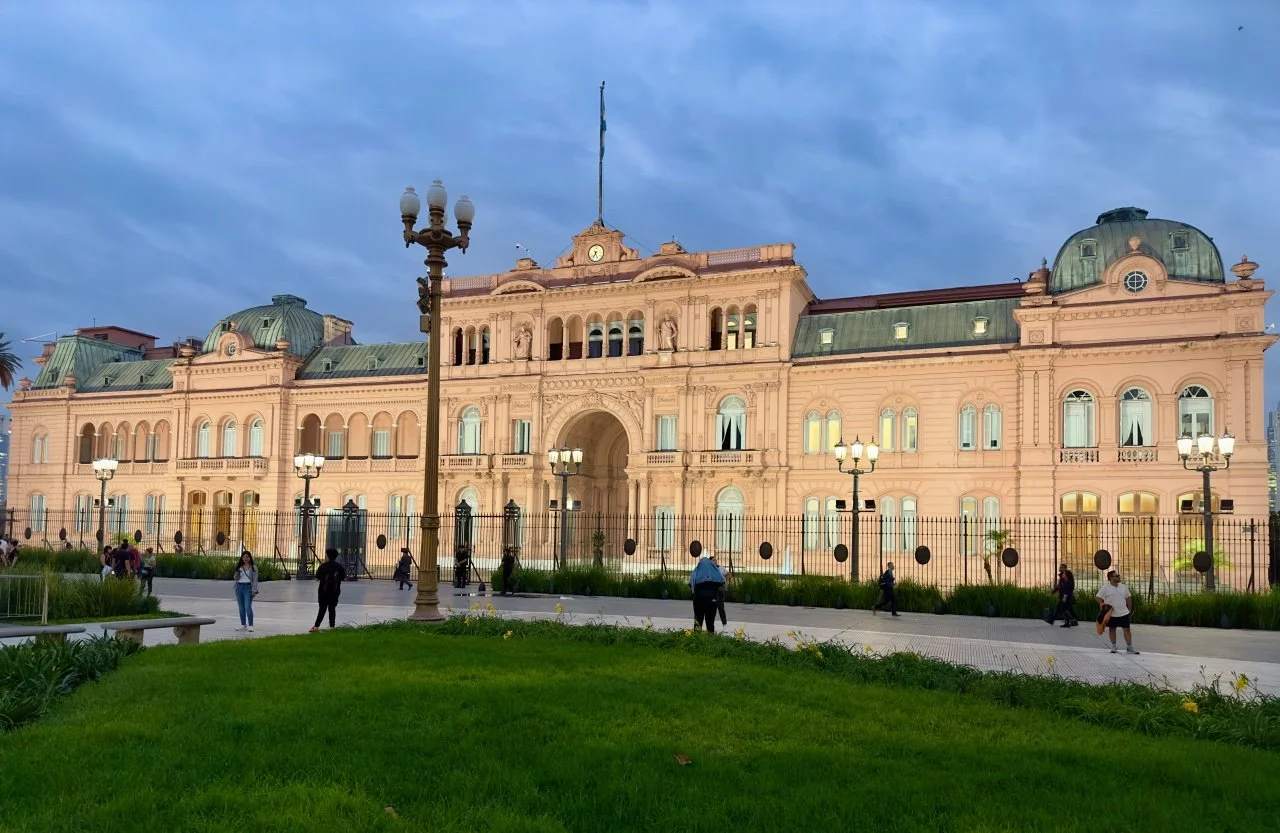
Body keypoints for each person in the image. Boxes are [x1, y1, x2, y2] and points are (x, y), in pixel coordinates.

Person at [1095, 570, 1139, 654]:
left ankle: (1129, 647)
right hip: (1112, 614)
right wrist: (1102, 605)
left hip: (1123, 613)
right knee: (1112, 629)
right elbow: (1097, 597)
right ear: (1111, 578)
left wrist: (1129, 609)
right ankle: (1114, 646)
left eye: (1118, 576)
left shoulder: (1123, 587)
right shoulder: (1105, 588)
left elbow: (1129, 597)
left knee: (1127, 630)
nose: (1119, 577)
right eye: (1117, 576)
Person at [311, 548, 347, 632]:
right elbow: (342, 577)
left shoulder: (323, 566)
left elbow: (318, 577)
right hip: (335, 591)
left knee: (322, 608)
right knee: (332, 608)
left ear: (327, 555)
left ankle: (316, 626)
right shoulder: (339, 567)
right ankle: (332, 626)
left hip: (323, 591)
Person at [688, 554, 727, 633]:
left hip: (698, 601)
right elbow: (723, 583)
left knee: (698, 621)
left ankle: (696, 640)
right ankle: (710, 640)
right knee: (710, 622)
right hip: (712, 601)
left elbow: (690, 584)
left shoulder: (696, 572)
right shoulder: (715, 574)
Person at [233, 551, 259, 632]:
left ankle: (251, 625)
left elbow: (255, 580)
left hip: (248, 587)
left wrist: (254, 591)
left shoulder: (253, 567)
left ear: (250, 558)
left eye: (247, 557)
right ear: (242, 558)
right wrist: (237, 573)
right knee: (241, 607)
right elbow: (236, 578)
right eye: (244, 557)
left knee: (248, 606)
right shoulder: (240, 567)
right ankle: (243, 624)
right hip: (239, 587)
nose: (246, 559)